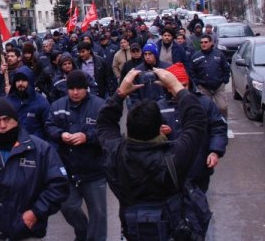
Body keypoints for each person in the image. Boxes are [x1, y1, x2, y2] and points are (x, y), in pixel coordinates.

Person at [97, 68, 208, 240]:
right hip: (172, 229)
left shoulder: (116, 153)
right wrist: (175, 85)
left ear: (129, 128)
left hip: (133, 231)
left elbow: (104, 124)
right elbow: (196, 121)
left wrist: (120, 93)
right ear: (159, 128)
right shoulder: (174, 157)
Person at [0, 97, 69, 240]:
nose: (3, 125)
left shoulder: (39, 148)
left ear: (16, 120)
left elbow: (59, 185)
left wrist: (36, 212)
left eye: (7, 119)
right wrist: (0, 179)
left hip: (26, 231)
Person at [46, 70, 108, 241]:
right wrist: (61, 135)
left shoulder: (99, 106)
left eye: (79, 88)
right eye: (71, 88)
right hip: (68, 169)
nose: (75, 92)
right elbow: (49, 126)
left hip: (94, 170)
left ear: (86, 88)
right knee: (67, 206)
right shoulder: (58, 106)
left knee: (99, 214)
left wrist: (87, 137)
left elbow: (107, 132)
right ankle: (83, 231)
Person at [158, 63, 228, 192]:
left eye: (184, 85)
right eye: (176, 85)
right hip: (171, 170)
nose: (180, 89)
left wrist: (215, 151)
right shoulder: (159, 106)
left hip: (199, 168)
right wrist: (159, 132)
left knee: (198, 207)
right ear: (168, 87)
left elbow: (218, 127)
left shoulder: (204, 103)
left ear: (189, 83)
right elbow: (147, 135)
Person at [190, 34, 231, 120]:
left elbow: (226, 68)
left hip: (218, 86)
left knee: (222, 107)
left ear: (211, 43)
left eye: (206, 42)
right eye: (201, 42)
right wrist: (197, 83)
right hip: (203, 87)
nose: (203, 44)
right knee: (205, 108)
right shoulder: (195, 57)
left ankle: (223, 123)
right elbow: (192, 72)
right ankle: (207, 126)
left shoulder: (219, 54)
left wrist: (225, 80)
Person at [6, 66, 51, 141]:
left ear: (30, 81)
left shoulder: (41, 102)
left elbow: (49, 128)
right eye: (17, 80)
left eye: (24, 80)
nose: (20, 83)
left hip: (35, 145)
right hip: (14, 145)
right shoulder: (7, 101)